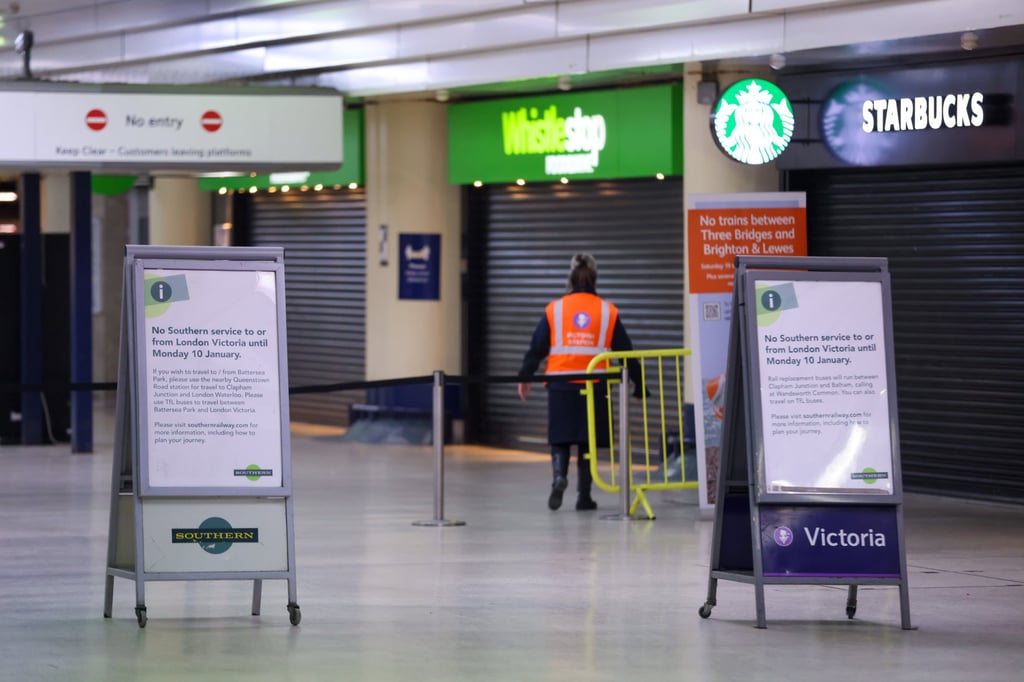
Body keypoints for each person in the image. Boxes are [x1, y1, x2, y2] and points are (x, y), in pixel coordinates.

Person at [517, 253, 644, 511]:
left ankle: (559, 477)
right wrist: (639, 382)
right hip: (595, 385)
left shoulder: (555, 308)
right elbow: (625, 350)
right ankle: (584, 497)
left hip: (560, 383)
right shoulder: (608, 310)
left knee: (560, 438)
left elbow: (537, 346)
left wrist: (525, 376)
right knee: (588, 442)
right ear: (595, 278)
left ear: (570, 279)